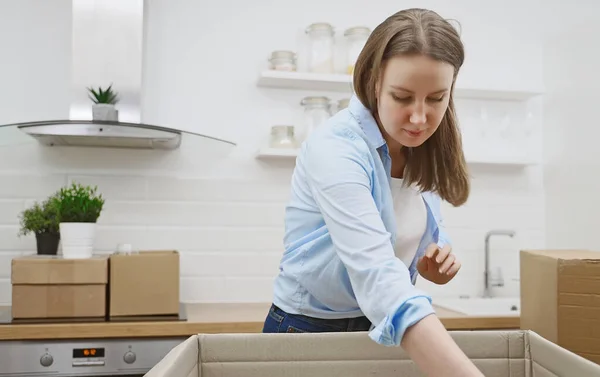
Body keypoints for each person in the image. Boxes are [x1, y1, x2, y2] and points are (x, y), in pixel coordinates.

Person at [263, 7, 484, 377]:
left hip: (378, 327)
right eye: (402, 97)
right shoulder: (336, 148)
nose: (419, 117)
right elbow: (376, 271)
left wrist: (435, 257)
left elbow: (409, 223)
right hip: (308, 330)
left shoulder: (420, 147)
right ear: (373, 81)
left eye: (435, 99)